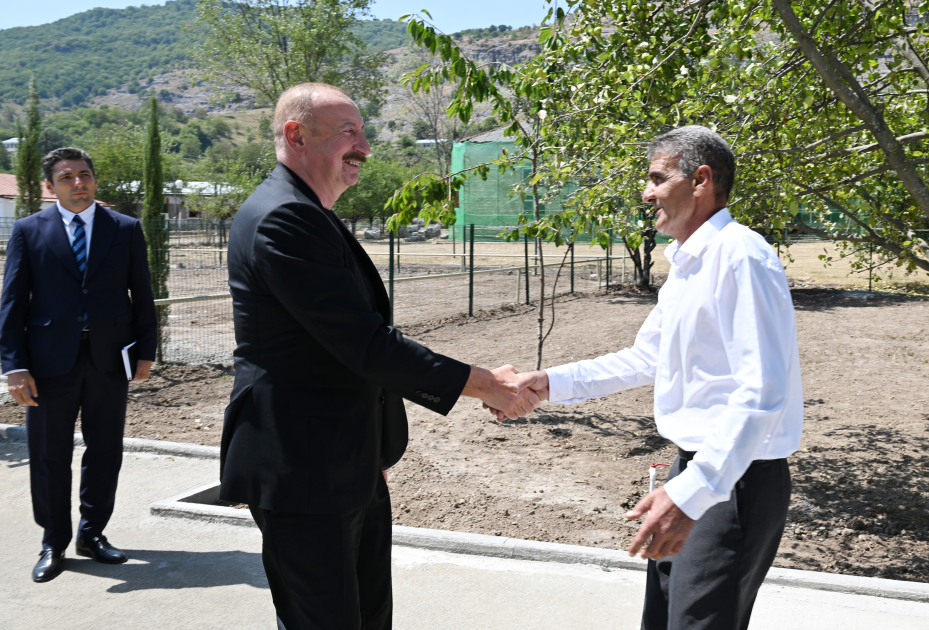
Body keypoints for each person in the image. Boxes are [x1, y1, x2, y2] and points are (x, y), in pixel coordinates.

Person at [220, 82, 536, 630]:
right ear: (296, 135)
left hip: (343, 464)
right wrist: (485, 384)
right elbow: (363, 343)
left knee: (367, 617)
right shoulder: (282, 218)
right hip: (301, 470)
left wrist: (367, 457)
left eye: (363, 131)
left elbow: (340, 355)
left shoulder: (305, 211)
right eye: (350, 132)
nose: (365, 145)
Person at [508, 126, 803, 630]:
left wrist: (694, 492)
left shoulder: (741, 256)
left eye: (657, 178)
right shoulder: (690, 263)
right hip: (698, 470)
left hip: (735, 481)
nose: (646, 193)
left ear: (701, 180)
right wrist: (549, 383)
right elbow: (646, 358)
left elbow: (762, 391)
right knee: (664, 622)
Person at [0, 147, 158, 583]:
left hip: (110, 356)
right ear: (50, 187)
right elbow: (12, 301)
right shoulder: (29, 231)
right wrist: (13, 365)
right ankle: (54, 541)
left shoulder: (124, 229)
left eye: (84, 174)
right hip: (49, 361)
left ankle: (93, 533)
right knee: (49, 453)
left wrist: (146, 349)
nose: (78, 183)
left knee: (105, 449)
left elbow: (141, 293)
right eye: (66, 177)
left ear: (94, 180)